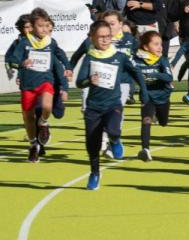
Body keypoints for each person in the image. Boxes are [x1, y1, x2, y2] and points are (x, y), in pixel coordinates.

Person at [76, 19, 147, 189]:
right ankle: (95, 173)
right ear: (92, 38)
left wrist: (143, 91)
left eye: (107, 36)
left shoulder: (119, 57)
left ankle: (115, 140)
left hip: (113, 104)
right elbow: (79, 82)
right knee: (92, 144)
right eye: (100, 37)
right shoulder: (90, 57)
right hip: (93, 106)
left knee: (114, 129)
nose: (105, 40)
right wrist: (89, 80)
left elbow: (136, 72)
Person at [6, 10, 68, 163]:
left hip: (46, 81)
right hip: (28, 84)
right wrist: (21, 63)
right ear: (32, 27)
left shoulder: (50, 42)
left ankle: (44, 122)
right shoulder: (24, 43)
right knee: (28, 118)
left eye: (47, 26)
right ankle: (33, 144)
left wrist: (68, 66)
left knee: (47, 106)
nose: (45, 29)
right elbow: (12, 58)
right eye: (41, 26)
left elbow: (61, 55)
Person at [132, 30, 173, 161]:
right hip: (147, 96)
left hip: (162, 96)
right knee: (146, 120)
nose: (160, 47)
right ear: (145, 47)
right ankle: (145, 149)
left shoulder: (162, 60)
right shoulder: (136, 59)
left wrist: (154, 74)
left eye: (160, 44)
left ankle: (158, 116)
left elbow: (168, 77)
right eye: (155, 44)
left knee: (163, 122)